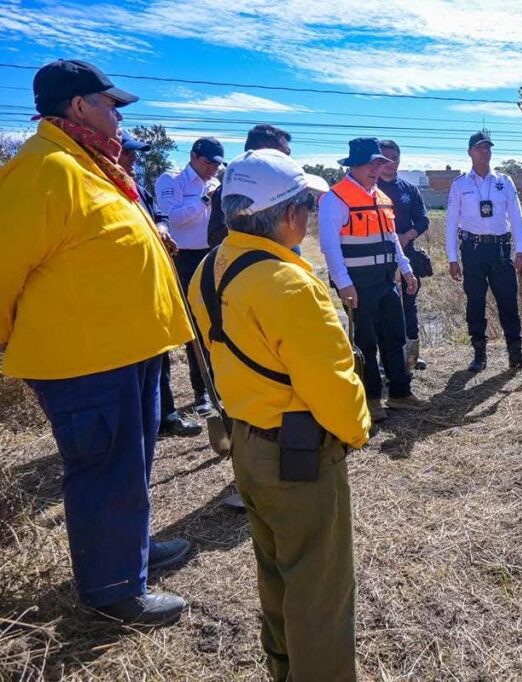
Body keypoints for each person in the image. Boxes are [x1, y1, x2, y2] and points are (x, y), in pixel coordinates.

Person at [0, 59, 194, 625]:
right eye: (110, 103)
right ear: (78, 105)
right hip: (84, 359)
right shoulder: (44, 169)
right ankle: (113, 591)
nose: (118, 113)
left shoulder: (94, 166)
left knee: (129, 463)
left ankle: (130, 550)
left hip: (128, 350)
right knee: (104, 466)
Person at [187, 148, 369, 681]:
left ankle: (284, 669)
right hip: (301, 455)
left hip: (248, 446)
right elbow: (332, 385)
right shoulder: (290, 286)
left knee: (276, 572)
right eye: (306, 206)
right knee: (320, 588)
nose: (308, 216)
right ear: (289, 215)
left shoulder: (208, 269)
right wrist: (355, 432)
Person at [318, 137, 427, 422]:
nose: (376, 169)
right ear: (354, 165)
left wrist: (405, 268)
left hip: (385, 278)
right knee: (366, 342)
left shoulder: (382, 197)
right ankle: (371, 397)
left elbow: (392, 238)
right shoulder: (335, 198)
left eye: (379, 163)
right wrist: (344, 284)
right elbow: (330, 247)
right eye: (370, 163)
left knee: (394, 336)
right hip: (357, 282)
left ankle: (400, 393)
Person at [118, 130, 202, 438]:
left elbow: (161, 215)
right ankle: (140, 423)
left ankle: (164, 416)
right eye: (127, 152)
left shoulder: (133, 187)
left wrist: (161, 229)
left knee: (158, 353)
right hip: (122, 292)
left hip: (151, 283)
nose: (133, 158)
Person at [446, 130, 522, 372]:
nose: (485, 151)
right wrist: (452, 258)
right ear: (470, 152)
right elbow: (451, 222)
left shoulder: (504, 181)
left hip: (501, 250)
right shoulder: (460, 184)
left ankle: (515, 354)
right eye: (480, 147)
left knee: (508, 303)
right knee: (475, 303)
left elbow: (516, 217)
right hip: (472, 250)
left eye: (488, 147)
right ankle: (479, 355)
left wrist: (521, 250)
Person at [156, 136, 225, 417]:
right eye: (209, 163)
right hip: (183, 258)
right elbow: (172, 217)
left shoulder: (216, 183)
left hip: (213, 255)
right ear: (194, 157)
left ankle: (221, 384)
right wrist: (203, 200)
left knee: (218, 321)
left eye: (218, 165)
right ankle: (202, 392)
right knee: (195, 324)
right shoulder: (170, 180)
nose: (213, 170)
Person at [377, 139, 431, 372]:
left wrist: (408, 235)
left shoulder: (409, 189)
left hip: (407, 256)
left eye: (395, 158)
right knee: (384, 307)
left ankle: (412, 355)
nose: (391, 163)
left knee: (409, 305)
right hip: (379, 258)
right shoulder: (371, 189)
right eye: (385, 158)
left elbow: (423, 219)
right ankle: (386, 357)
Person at [208, 124, 293, 250]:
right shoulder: (229, 191)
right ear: (266, 150)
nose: (288, 158)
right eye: (285, 151)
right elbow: (215, 238)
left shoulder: (285, 189)